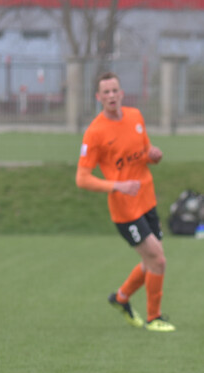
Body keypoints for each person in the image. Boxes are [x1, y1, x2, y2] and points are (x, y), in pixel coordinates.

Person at [76, 71, 175, 332]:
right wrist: (117, 185)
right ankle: (154, 318)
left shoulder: (135, 117)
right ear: (98, 98)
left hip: (147, 199)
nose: (111, 96)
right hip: (125, 210)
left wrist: (153, 155)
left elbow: (143, 153)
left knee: (151, 262)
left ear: (121, 94)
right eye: (105, 92)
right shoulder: (95, 132)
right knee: (159, 261)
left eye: (114, 90)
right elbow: (82, 178)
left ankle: (120, 299)